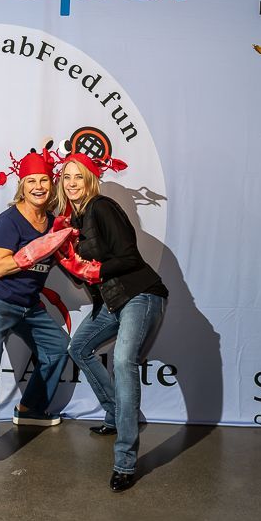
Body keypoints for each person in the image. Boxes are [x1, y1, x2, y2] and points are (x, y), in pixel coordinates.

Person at [0, 150, 74, 486]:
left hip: (28, 305)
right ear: (22, 186)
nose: (38, 187)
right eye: (31, 181)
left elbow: (70, 262)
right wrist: (39, 248)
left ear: (51, 185)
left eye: (44, 180)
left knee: (58, 347)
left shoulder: (53, 222)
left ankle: (30, 410)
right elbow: (0, 266)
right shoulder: (8, 220)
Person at [55, 152, 168, 492]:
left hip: (141, 294)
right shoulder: (73, 221)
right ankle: (116, 413)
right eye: (67, 177)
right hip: (113, 301)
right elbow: (80, 276)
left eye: (79, 176)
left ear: (90, 180)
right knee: (78, 347)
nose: (72, 183)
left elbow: (129, 257)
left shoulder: (102, 207)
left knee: (122, 360)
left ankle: (125, 464)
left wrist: (95, 270)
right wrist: (62, 254)